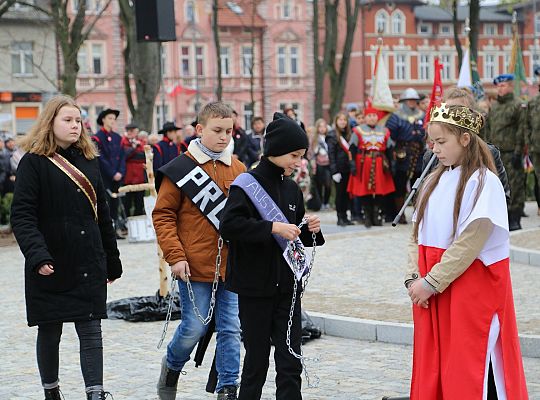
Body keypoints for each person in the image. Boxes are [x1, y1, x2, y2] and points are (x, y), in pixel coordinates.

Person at [405, 102, 528, 399]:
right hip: (432, 288)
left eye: (442, 142)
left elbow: (471, 241)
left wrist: (431, 282)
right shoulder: (435, 179)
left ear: (465, 139)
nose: (434, 149)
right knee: (434, 364)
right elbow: (416, 232)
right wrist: (412, 278)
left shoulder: (484, 182)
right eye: (432, 142)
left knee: (466, 366)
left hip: (466, 288)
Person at [10, 95, 122, 400]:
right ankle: (51, 392)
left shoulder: (89, 160)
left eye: (78, 121)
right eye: (67, 120)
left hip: (87, 260)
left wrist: (111, 260)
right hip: (50, 261)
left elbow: (103, 216)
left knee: (91, 330)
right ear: (51, 123)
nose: (75, 126)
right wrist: (37, 254)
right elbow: (22, 216)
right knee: (50, 330)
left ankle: (95, 394)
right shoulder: (33, 163)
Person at [220, 112, 324, 400]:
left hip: (288, 288)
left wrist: (311, 230)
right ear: (275, 150)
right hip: (254, 287)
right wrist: (272, 227)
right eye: (294, 155)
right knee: (256, 360)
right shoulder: (246, 184)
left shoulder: (291, 188)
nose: (298, 162)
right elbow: (229, 226)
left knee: (290, 360)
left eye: (301, 156)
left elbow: (296, 233)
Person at [153, 101, 245, 400]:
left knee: (231, 329)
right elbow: (163, 215)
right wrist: (175, 256)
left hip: (231, 265)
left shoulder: (239, 168)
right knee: (194, 327)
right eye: (217, 130)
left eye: (229, 131)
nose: (224, 137)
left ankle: (228, 388)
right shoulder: (181, 168)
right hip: (193, 265)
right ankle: (172, 366)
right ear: (200, 129)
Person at [485, 74, 527, 230]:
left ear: (510, 86)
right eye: (498, 86)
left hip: (511, 153)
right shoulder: (494, 107)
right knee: (498, 185)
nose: (500, 89)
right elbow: (489, 129)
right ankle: (502, 217)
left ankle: (515, 217)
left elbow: (521, 130)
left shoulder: (517, 105)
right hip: (496, 154)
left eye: (503, 86)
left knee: (515, 185)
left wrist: (518, 152)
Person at [348, 107, 395, 228]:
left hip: (380, 163)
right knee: (365, 191)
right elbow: (352, 148)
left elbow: (390, 149)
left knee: (380, 190)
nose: (372, 118)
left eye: (374, 116)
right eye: (369, 116)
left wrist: (392, 163)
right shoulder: (358, 130)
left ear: (377, 117)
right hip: (364, 163)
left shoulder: (384, 130)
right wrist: (352, 164)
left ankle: (376, 215)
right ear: (365, 117)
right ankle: (367, 216)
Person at [385, 87, 426, 224]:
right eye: (409, 100)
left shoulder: (422, 115)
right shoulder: (396, 116)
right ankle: (400, 214)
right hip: (402, 154)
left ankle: (417, 213)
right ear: (404, 101)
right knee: (400, 185)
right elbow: (389, 135)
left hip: (418, 154)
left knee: (418, 183)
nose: (412, 103)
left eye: (414, 101)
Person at [92, 108, 126, 238]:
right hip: (105, 177)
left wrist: (121, 172)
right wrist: (112, 173)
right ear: (103, 120)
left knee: (115, 203)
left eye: (114, 119)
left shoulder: (118, 138)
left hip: (117, 177)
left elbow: (122, 157)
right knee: (105, 203)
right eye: (110, 118)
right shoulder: (97, 138)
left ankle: (115, 229)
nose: (113, 121)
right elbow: (101, 158)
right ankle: (106, 231)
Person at [327, 112, 353, 226]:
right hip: (338, 169)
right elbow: (331, 155)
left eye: (344, 120)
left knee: (347, 194)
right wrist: (334, 171)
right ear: (336, 122)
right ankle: (340, 217)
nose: (343, 122)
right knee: (340, 194)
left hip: (348, 169)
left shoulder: (349, 134)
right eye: (340, 120)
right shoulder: (332, 135)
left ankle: (345, 217)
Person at [120, 123, 146, 216]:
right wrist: (134, 149)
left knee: (139, 203)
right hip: (128, 178)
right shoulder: (123, 141)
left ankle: (138, 224)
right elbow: (124, 156)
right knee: (127, 203)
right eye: (129, 131)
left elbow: (144, 156)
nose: (131, 133)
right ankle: (126, 223)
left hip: (139, 178)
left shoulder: (141, 142)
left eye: (133, 131)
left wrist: (132, 153)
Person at [312, 118, 332, 210]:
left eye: (324, 126)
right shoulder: (315, 138)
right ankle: (320, 203)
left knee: (328, 185)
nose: (322, 128)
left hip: (328, 163)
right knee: (319, 184)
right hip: (319, 163)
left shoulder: (329, 137)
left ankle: (326, 202)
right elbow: (312, 152)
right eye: (320, 126)